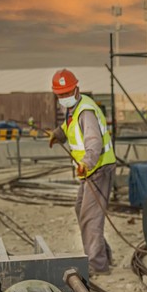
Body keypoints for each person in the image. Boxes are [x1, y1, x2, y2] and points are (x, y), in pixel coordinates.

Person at [48, 69, 115, 276]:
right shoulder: (73, 109)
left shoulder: (85, 111)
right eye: (60, 94)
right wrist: (58, 134)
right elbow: (70, 128)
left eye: (66, 93)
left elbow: (94, 142)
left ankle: (98, 266)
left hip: (98, 169)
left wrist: (86, 162)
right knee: (81, 211)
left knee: (90, 218)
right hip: (90, 171)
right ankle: (103, 256)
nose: (63, 97)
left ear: (76, 89)